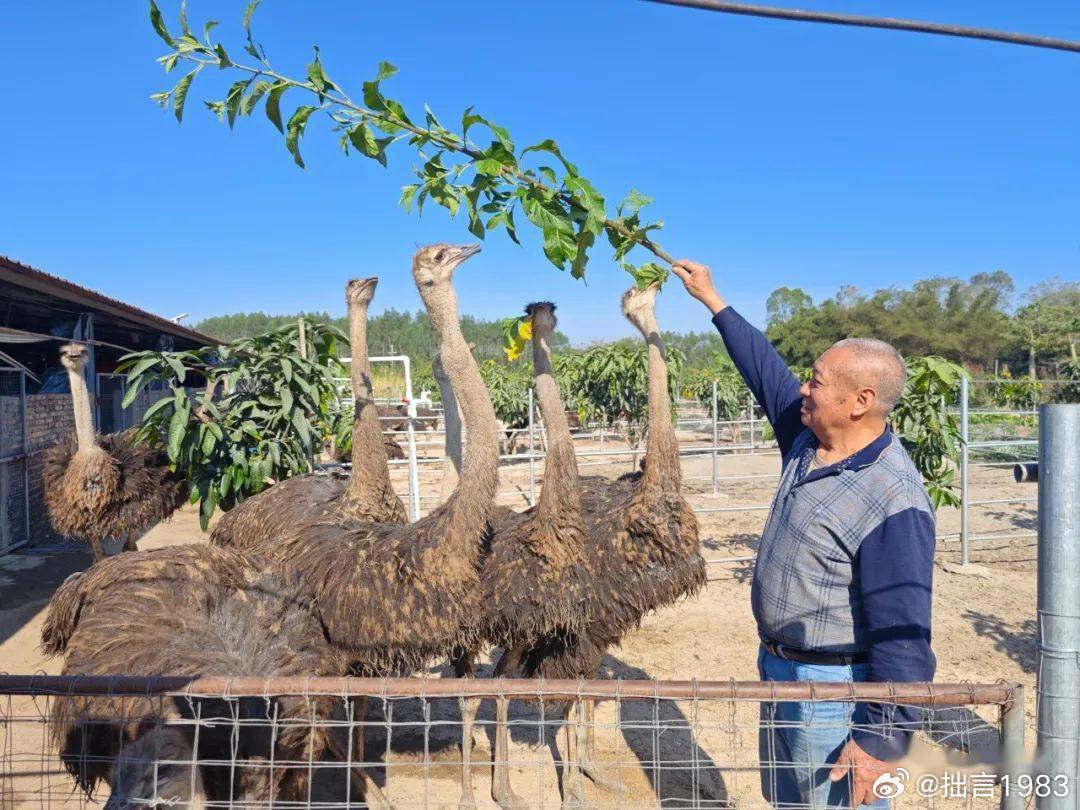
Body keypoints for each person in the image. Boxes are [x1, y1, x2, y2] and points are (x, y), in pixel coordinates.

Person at [672, 259, 936, 808]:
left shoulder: (894, 499)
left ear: (860, 400)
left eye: (816, 380)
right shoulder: (809, 437)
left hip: (836, 692)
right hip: (780, 668)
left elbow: (905, 637)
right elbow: (765, 371)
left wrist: (881, 738)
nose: (803, 389)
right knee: (790, 800)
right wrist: (712, 300)